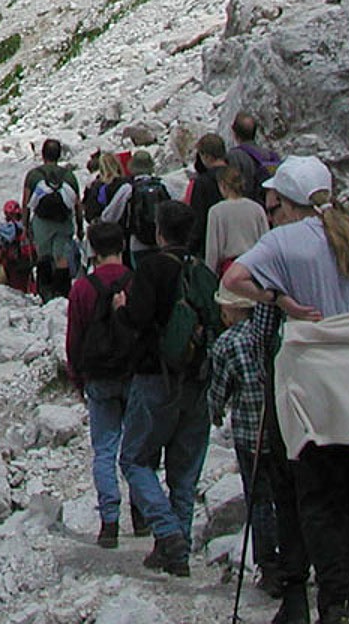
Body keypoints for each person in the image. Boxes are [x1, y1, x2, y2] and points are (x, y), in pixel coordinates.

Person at [224, 157, 349, 624]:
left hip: (312, 383)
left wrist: (279, 299)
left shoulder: (284, 242)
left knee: (319, 495)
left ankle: (335, 600)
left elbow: (232, 280)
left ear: (287, 201)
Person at [113, 199, 219, 578]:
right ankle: (177, 551)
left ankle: (168, 532)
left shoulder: (151, 268)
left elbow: (137, 319)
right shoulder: (202, 271)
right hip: (197, 380)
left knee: (135, 460)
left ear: (159, 232)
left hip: (155, 377)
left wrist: (121, 307)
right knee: (185, 473)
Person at [66, 221, 135, 549]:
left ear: (92, 250)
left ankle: (109, 522)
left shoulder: (82, 288)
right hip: (134, 373)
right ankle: (143, 514)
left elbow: (74, 338)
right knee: (136, 449)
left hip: (98, 377)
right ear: (122, 245)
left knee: (105, 449)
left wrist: (78, 378)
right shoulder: (136, 281)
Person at [208, 281, 279, 597]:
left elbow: (219, 393)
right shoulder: (272, 336)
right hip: (281, 431)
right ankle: (295, 558)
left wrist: (214, 414)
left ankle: (269, 564)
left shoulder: (227, 343)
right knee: (286, 497)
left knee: (259, 500)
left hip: (249, 432)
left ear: (231, 310)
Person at [23, 138, 82, 300]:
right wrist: (80, 226)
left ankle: (45, 293)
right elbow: (77, 204)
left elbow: (26, 203)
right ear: (59, 155)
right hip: (63, 221)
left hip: (42, 223)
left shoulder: (34, 175)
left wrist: (25, 226)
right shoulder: (68, 176)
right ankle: (62, 293)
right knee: (61, 257)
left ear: (43, 155)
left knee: (44, 256)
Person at [102, 148, 170, 265]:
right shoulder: (163, 184)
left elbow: (108, 216)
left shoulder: (128, 188)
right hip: (162, 240)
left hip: (138, 243)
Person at [204, 164, 268, 278]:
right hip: (254, 267)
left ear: (223, 185)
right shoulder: (257, 208)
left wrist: (210, 275)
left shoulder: (216, 211)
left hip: (230, 270)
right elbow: (265, 242)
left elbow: (213, 250)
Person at [185, 132, 228, 252]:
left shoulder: (202, 182)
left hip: (211, 243)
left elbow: (198, 219)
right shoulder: (236, 175)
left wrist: (191, 249)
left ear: (207, 156)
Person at [0, 200, 38, 295]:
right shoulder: (27, 226)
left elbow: (3, 247)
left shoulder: (9, 228)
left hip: (14, 262)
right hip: (27, 259)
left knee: (15, 287)